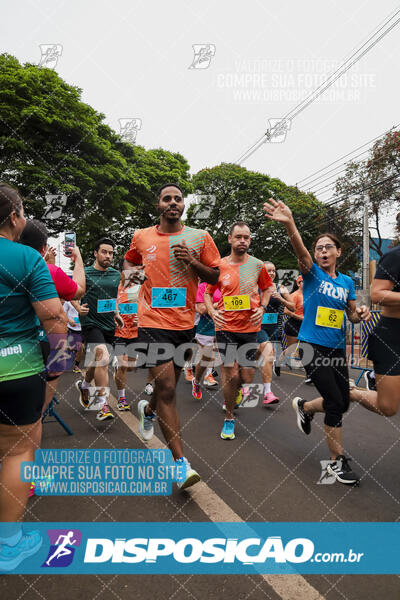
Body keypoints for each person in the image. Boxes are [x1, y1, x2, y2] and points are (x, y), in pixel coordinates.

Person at [264, 198, 371, 485]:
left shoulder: (347, 282)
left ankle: (306, 407)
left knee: (343, 401)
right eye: (318, 248)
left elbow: (352, 315)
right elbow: (299, 250)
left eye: (328, 247)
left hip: (336, 348)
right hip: (311, 346)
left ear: (338, 252)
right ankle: (337, 462)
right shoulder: (311, 274)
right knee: (336, 402)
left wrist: (360, 311)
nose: (323, 251)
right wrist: (290, 224)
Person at [123, 183, 220, 489]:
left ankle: (147, 410)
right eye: (168, 198)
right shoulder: (142, 236)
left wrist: (192, 262)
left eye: (178, 198)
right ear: (159, 205)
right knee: (166, 388)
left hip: (184, 324)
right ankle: (180, 463)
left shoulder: (200, 237)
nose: (173, 202)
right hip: (152, 320)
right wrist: (134, 287)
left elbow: (218, 276)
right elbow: (130, 261)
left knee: (167, 388)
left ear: (183, 205)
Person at [0, 184, 67, 569]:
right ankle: (9, 545)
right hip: (16, 367)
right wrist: (59, 361)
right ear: (13, 217)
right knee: (17, 450)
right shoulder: (27, 257)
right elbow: (54, 316)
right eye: (22, 211)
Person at [204, 221, 273, 440]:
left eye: (246, 237)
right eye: (239, 237)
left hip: (249, 328)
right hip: (225, 327)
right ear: (230, 239)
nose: (243, 240)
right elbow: (207, 293)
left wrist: (262, 307)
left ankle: (233, 395)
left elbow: (268, 287)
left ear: (250, 240)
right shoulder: (219, 265)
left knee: (246, 375)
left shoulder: (257, 265)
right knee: (231, 373)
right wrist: (211, 312)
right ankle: (229, 418)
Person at [19, 220, 85, 415]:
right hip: (43, 341)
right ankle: (38, 415)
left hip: (11, 342)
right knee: (58, 360)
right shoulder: (49, 271)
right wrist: (78, 258)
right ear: (44, 247)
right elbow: (78, 291)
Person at [349, 241, 400, 417]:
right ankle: (351, 392)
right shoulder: (395, 257)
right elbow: (376, 294)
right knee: (388, 407)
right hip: (391, 337)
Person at [75, 238, 123, 421]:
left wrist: (116, 313)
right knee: (102, 358)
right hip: (91, 323)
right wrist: (77, 307)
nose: (108, 256)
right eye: (104, 252)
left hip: (109, 324)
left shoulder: (116, 274)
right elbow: (71, 291)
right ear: (95, 253)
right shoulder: (85, 273)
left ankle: (85, 385)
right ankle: (103, 404)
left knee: (97, 362)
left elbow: (114, 297)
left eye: (111, 253)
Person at [256, 262, 294, 405]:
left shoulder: (280, 288)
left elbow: (293, 307)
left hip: (272, 329)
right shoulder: (254, 286)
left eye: (273, 271)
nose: (271, 273)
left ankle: (244, 385)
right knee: (268, 355)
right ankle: (268, 392)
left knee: (258, 359)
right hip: (256, 327)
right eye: (268, 271)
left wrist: (281, 299)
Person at [113, 260, 140, 411]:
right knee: (123, 365)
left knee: (130, 367)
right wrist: (113, 316)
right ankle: (121, 398)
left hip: (134, 332)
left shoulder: (138, 289)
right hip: (118, 332)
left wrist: (140, 318)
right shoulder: (114, 289)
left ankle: (118, 370)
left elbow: (146, 307)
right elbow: (108, 306)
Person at [191, 281, 220, 400]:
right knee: (207, 357)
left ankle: (231, 400)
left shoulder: (233, 284)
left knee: (228, 360)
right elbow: (202, 309)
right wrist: (221, 304)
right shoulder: (204, 286)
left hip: (228, 326)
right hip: (207, 327)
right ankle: (197, 381)